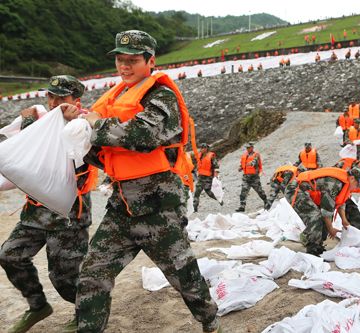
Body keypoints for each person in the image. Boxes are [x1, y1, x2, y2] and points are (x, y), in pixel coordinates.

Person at [67, 30, 221, 333]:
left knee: (184, 277)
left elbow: (143, 136)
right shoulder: (116, 96)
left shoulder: (160, 96)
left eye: (133, 61)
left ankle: (210, 320)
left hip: (159, 208)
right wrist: (75, 124)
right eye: (120, 60)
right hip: (122, 207)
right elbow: (103, 153)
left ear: (151, 61)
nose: (125, 66)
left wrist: (93, 124)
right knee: (93, 274)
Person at [0, 75, 97, 333]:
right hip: (35, 211)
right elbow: (25, 158)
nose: (54, 102)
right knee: (9, 255)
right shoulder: (42, 123)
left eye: (61, 97)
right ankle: (38, 306)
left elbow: (76, 158)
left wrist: (68, 120)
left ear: (76, 100)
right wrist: (29, 124)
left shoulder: (83, 125)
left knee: (64, 276)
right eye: (51, 96)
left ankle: (87, 315)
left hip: (69, 214)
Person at [285, 166, 360, 256]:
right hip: (295, 189)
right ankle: (312, 249)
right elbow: (326, 211)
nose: (356, 188)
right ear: (352, 178)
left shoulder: (345, 184)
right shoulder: (335, 184)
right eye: (357, 184)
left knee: (325, 220)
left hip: (308, 192)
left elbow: (341, 203)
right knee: (315, 216)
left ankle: (317, 243)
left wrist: (344, 220)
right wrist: (331, 229)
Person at [237, 142, 268, 212]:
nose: (247, 149)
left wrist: (252, 163)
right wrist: (240, 168)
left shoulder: (256, 155)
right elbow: (242, 164)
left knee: (260, 191)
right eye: (247, 148)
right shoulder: (244, 155)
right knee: (243, 192)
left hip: (254, 177)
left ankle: (266, 201)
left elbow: (255, 162)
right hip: (246, 177)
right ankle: (242, 206)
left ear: (252, 147)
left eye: (249, 148)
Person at [193, 143, 222, 213]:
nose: (202, 149)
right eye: (201, 147)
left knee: (208, 192)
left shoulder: (211, 156)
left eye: (204, 148)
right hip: (200, 177)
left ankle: (219, 200)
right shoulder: (199, 155)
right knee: (197, 193)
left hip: (208, 177)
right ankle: (195, 209)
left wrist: (216, 176)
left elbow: (216, 166)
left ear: (206, 148)